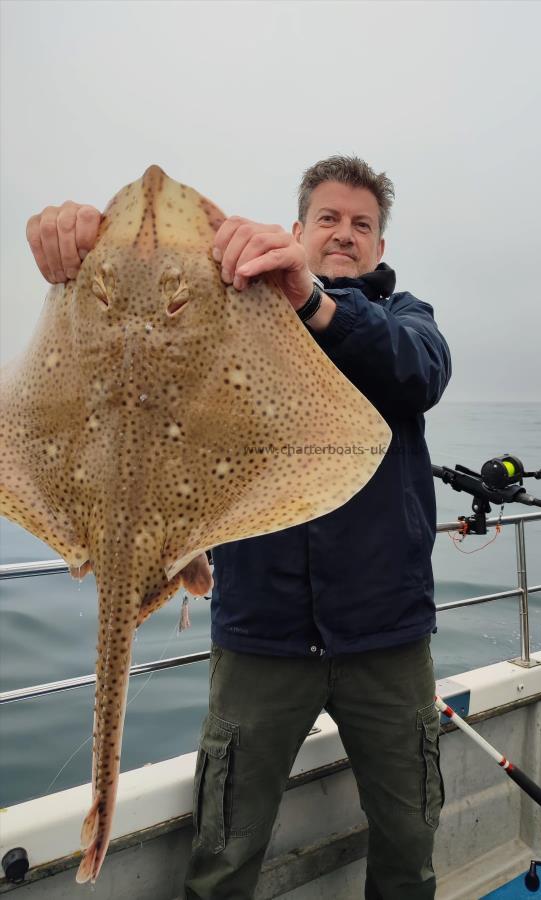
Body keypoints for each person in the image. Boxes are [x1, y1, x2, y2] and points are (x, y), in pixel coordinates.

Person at [26, 155, 452, 899]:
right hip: (262, 634)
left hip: (385, 635)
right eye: (328, 218)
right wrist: (74, 248)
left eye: (362, 224)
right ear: (296, 228)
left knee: (409, 838)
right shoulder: (234, 297)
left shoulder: (405, 320)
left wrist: (313, 301)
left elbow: (418, 371)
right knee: (224, 851)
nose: (344, 233)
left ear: (380, 247)